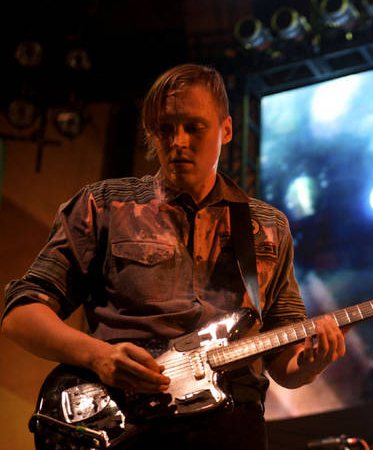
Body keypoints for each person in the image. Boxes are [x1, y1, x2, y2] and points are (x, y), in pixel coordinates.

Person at [1, 63, 346, 449]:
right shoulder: (105, 204)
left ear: (226, 130)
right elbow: (21, 315)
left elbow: (286, 363)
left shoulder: (268, 226)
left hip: (232, 428)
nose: (178, 141)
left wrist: (311, 363)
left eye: (193, 127)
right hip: (124, 424)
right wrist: (99, 356)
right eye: (165, 129)